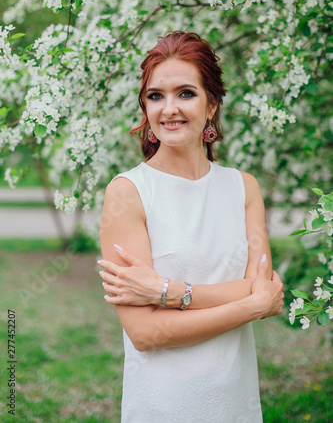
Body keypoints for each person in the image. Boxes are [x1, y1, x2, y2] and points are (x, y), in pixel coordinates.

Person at [98, 31, 284, 423]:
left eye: (186, 93)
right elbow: (145, 334)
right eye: (155, 96)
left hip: (236, 403)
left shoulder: (243, 187)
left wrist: (164, 292)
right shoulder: (127, 193)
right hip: (164, 405)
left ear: (212, 103)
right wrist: (249, 304)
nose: (169, 109)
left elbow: (261, 286)